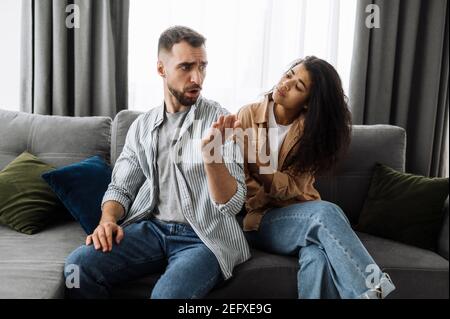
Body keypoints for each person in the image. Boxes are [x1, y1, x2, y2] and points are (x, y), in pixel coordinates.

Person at [64, 26, 250, 299]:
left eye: (202, 67)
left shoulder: (221, 121)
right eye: (186, 67)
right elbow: (121, 188)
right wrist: (107, 221)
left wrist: (212, 156)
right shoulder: (142, 127)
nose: (197, 77)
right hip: (150, 230)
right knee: (78, 267)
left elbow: (233, 204)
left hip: (204, 238)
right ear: (161, 69)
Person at [235, 56, 396, 299]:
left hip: (303, 216)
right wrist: (265, 175)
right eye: (289, 74)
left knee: (316, 256)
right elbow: (246, 188)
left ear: (308, 103)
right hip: (260, 220)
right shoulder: (247, 116)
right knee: (326, 214)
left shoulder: (312, 132)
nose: (286, 84)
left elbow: (290, 188)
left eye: (298, 86)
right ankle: (376, 293)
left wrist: (258, 166)